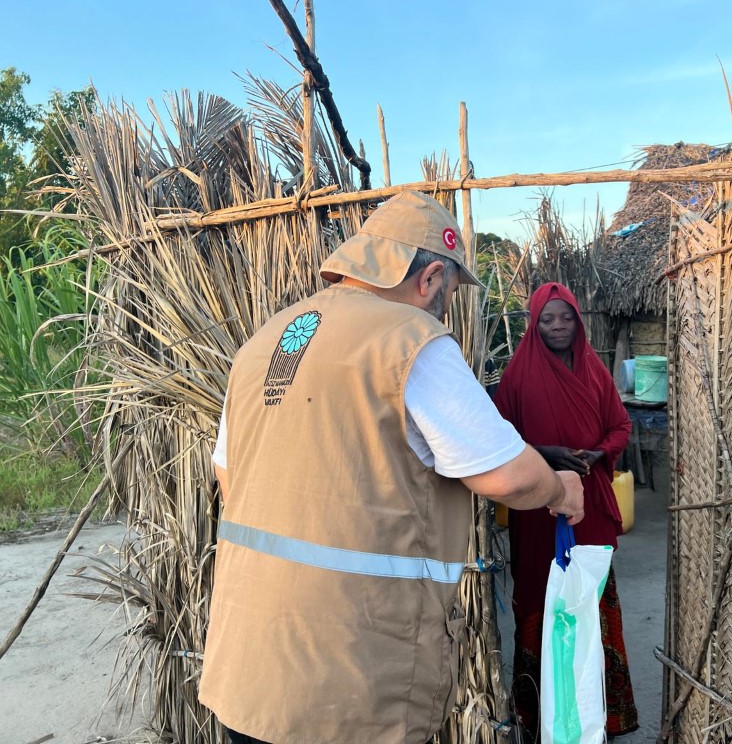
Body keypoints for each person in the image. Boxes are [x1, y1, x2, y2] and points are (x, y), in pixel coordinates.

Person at [198, 191, 585, 744]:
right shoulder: (410, 341)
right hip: (349, 679)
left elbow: (229, 475)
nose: (444, 310)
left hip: (248, 670)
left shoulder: (267, 341)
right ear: (430, 278)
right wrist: (560, 490)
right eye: (449, 295)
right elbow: (509, 475)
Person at [494, 282, 639, 740]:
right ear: (534, 324)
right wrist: (546, 454)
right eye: (547, 319)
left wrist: (598, 454)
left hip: (587, 505)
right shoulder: (517, 376)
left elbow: (620, 426)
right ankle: (538, 714)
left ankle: (604, 714)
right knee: (542, 597)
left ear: (578, 320)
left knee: (589, 596)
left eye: (566, 318)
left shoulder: (595, 371)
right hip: (537, 507)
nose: (558, 326)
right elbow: (498, 439)